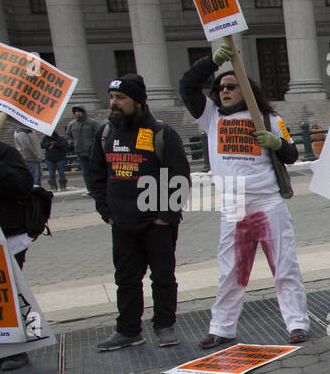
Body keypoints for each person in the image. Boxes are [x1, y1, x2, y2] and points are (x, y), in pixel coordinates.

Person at [180, 43, 309, 348]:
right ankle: (222, 327)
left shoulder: (268, 119)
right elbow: (187, 85)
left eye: (231, 86)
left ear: (246, 90)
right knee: (231, 271)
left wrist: (276, 144)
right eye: (220, 87)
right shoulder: (210, 117)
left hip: (268, 203)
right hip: (234, 205)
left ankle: (297, 323)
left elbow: (291, 154)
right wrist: (211, 62)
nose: (223, 91)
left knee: (284, 266)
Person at [89, 73, 191, 351]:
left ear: (138, 101)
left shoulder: (161, 133)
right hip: (121, 222)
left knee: (163, 277)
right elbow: (96, 174)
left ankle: (164, 325)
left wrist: (163, 217)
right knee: (126, 279)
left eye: (120, 98)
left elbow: (179, 177)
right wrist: (106, 210)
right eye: (111, 97)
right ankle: (128, 330)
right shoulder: (106, 134)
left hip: (157, 222)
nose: (114, 103)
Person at [0, 134, 39, 372]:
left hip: (6, 236)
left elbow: (22, 185)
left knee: (6, 292)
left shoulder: (1, 152)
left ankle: (16, 349)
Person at [66, 105, 99, 196]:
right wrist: (72, 143)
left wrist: (94, 145)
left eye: (79, 111)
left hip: (92, 151)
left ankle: (97, 188)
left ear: (83, 112)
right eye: (75, 112)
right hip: (80, 152)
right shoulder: (72, 124)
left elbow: (99, 134)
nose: (77, 113)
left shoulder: (92, 123)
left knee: (95, 171)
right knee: (85, 172)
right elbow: (68, 135)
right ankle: (89, 189)